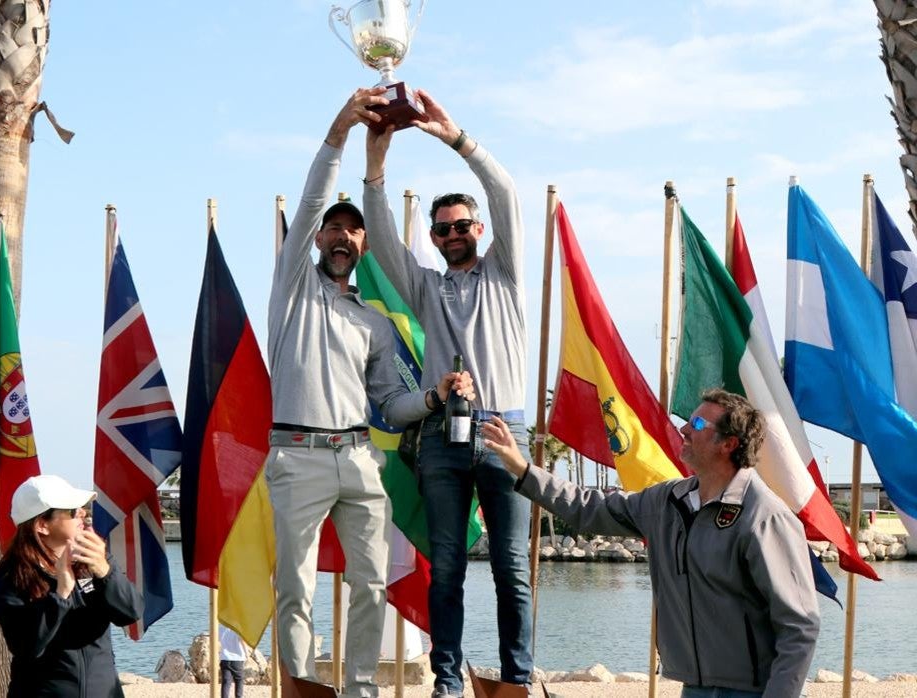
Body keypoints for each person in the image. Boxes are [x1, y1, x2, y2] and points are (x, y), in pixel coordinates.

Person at [267, 88, 475, 698]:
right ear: (315, 239)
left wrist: (435, 397)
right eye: (332, 228)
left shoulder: (374, 322)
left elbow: (394, 406)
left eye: (353, 232)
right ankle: (301, 688)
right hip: (297, 455)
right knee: (296, 588)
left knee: (372, 586)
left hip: (360, 457)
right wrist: (339, 131)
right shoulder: (292, 288)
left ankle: (359, 691)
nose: (342, 237)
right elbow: (307, 200)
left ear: (363, 247)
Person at [481, 389, 820, 698]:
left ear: (728, 444)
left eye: (698, 423)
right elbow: (590, 506)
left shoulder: (765, 517)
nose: (684, 429)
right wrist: (523, 469)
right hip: (695, 688)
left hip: (753, 692)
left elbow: (799, 626)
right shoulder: (666, 502)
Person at [362, 89, 533, 697]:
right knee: (447, 570)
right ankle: (449, 681)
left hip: (504, 429)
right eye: (443, 229)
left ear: (478, 229)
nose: (454, 233)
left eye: (463, 225)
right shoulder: (426, 289)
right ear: (433, 237)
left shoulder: (504, 273)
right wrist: (375, 165)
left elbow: (508, 193)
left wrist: (455, 137)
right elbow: (381, 243)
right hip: (440, 436)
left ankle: (517, 677)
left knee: (513, 568)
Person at [0, 474, 141, 697]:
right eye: (72, 511)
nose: (82, 513)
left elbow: (131, 612)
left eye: (82, 507)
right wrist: (61, 593)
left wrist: (104, 570)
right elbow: (25, 646)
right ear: (42, 525)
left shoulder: (94, 561)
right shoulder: (13, 574)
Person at [219, 624, 247, 698]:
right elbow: (242, 640)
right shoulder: (238, 627)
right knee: (239, 680)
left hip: (225, 658)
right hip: (237, 658)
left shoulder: (221, 627)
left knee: (226, 682)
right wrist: (247, 653)